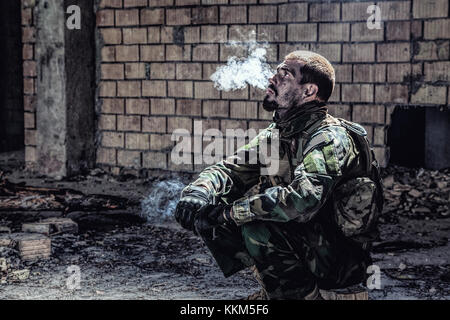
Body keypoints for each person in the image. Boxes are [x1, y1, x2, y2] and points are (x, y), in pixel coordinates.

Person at [175, 50, 383, 300]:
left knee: (256, 224)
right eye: (275, 72)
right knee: (210, 210)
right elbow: (230, 171)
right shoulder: (278, 135)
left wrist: (232, 212)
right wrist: (199, 192)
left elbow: (304, 198)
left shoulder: (328, 137)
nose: (272, 79)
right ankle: (281, 290)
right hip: (309, 244)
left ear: (309, 91)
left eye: (284, 75)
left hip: (340, 261)